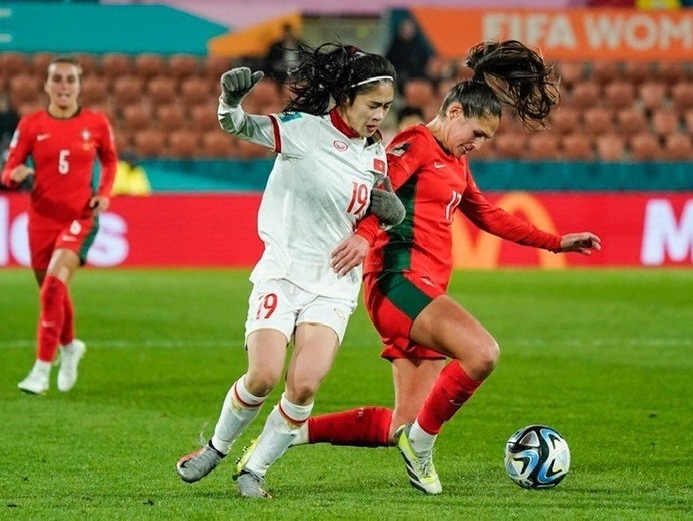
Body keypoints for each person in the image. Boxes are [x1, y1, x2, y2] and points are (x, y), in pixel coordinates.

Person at [290, 40, 602, 495]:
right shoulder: (414, 144)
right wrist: (365, 236)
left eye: (485, 141)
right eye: (475, 134)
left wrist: (557, 243)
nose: (476, 145)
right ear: (453, 112)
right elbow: (379, 196)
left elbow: (489, 216)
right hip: (398, 282)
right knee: (482, 353)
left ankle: (288, 433)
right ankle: (422, 447)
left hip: (422, 289)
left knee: (402, 423)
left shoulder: (454, 162)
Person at [175, 43, 405, 498]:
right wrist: (230, 100)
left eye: (386, 107)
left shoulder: (375, 154)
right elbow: (237, 125)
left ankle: (253, 470)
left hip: (334, 285)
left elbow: (377, 209)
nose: (381, 116)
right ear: (346, 99)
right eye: (373, 105)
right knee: (262, 376)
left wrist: (370, 232)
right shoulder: (302, 131)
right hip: (282, 271)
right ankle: (217, 448)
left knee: (303, 385)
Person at [1, 57, 118, 395]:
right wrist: (14, 175)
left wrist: (104, 194)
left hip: (80, 217)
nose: (64, 86)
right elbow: (8, 169)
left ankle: (40, 370)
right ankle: (70, 347)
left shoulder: (96, 123)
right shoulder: (32, 124)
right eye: (58, 80)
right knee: (51, 292)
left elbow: (110, 160)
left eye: (70, 80)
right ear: (47, 85)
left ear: (79, 86)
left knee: (53, 286)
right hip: (40, 221)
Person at [385, 18, 432, 85]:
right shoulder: (394, 47)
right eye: (405, 30)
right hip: (399, 78)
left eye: (410, 30)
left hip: (417, 77)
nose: (408, 32)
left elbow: (425, 64)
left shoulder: (418, 47)